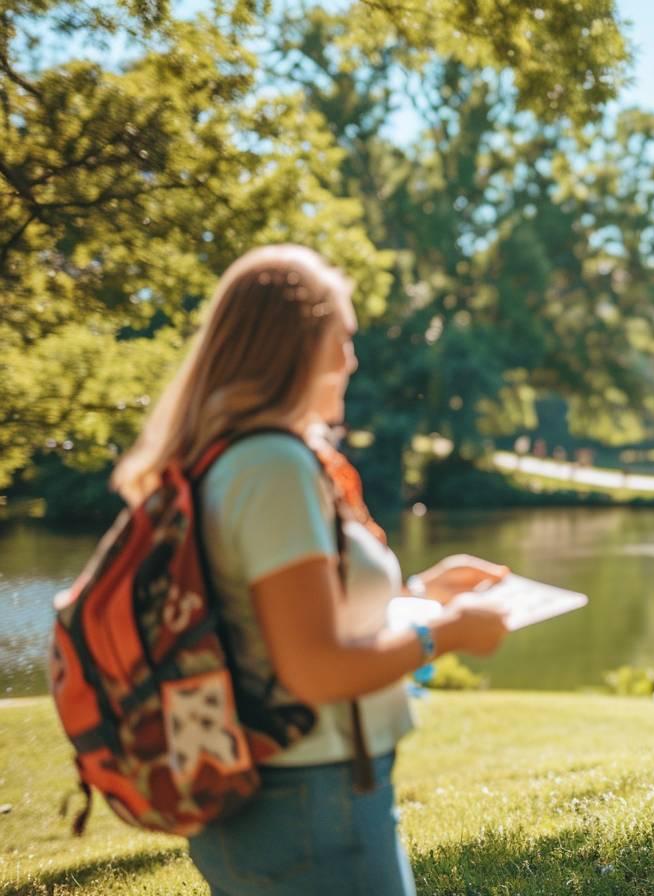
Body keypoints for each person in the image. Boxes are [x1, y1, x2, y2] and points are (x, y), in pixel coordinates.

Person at [110, 244, 511, 895]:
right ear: (293, 345)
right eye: (342, 339)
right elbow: (315, 667)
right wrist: (449, 634)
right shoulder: (272, 467)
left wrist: (419, 593)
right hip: (308, 802)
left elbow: (282, 620)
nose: (352, 361)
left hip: (282, 801)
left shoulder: (229, 457)